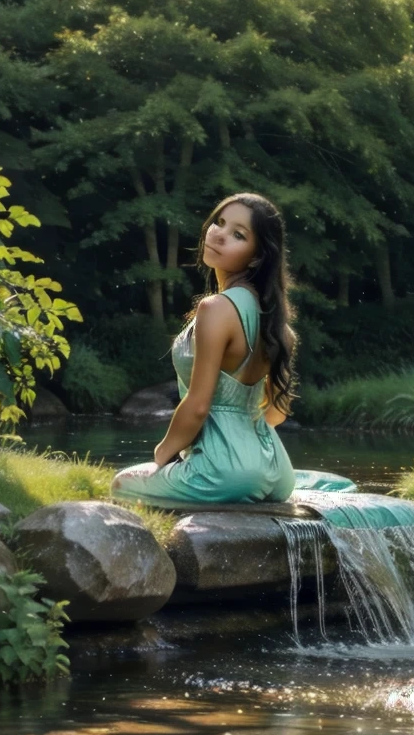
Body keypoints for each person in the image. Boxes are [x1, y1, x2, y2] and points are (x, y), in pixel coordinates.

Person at [110, 192, 352, 508]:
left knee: (121, 484)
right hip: (277, 472)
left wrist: (162, 454)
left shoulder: (216, 309)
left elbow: (197, 406)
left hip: (225, 472)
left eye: (238, 234)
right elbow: (276, 414)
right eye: (219, 223)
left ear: (255, 257)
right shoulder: (280, 326)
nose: (219, 234)